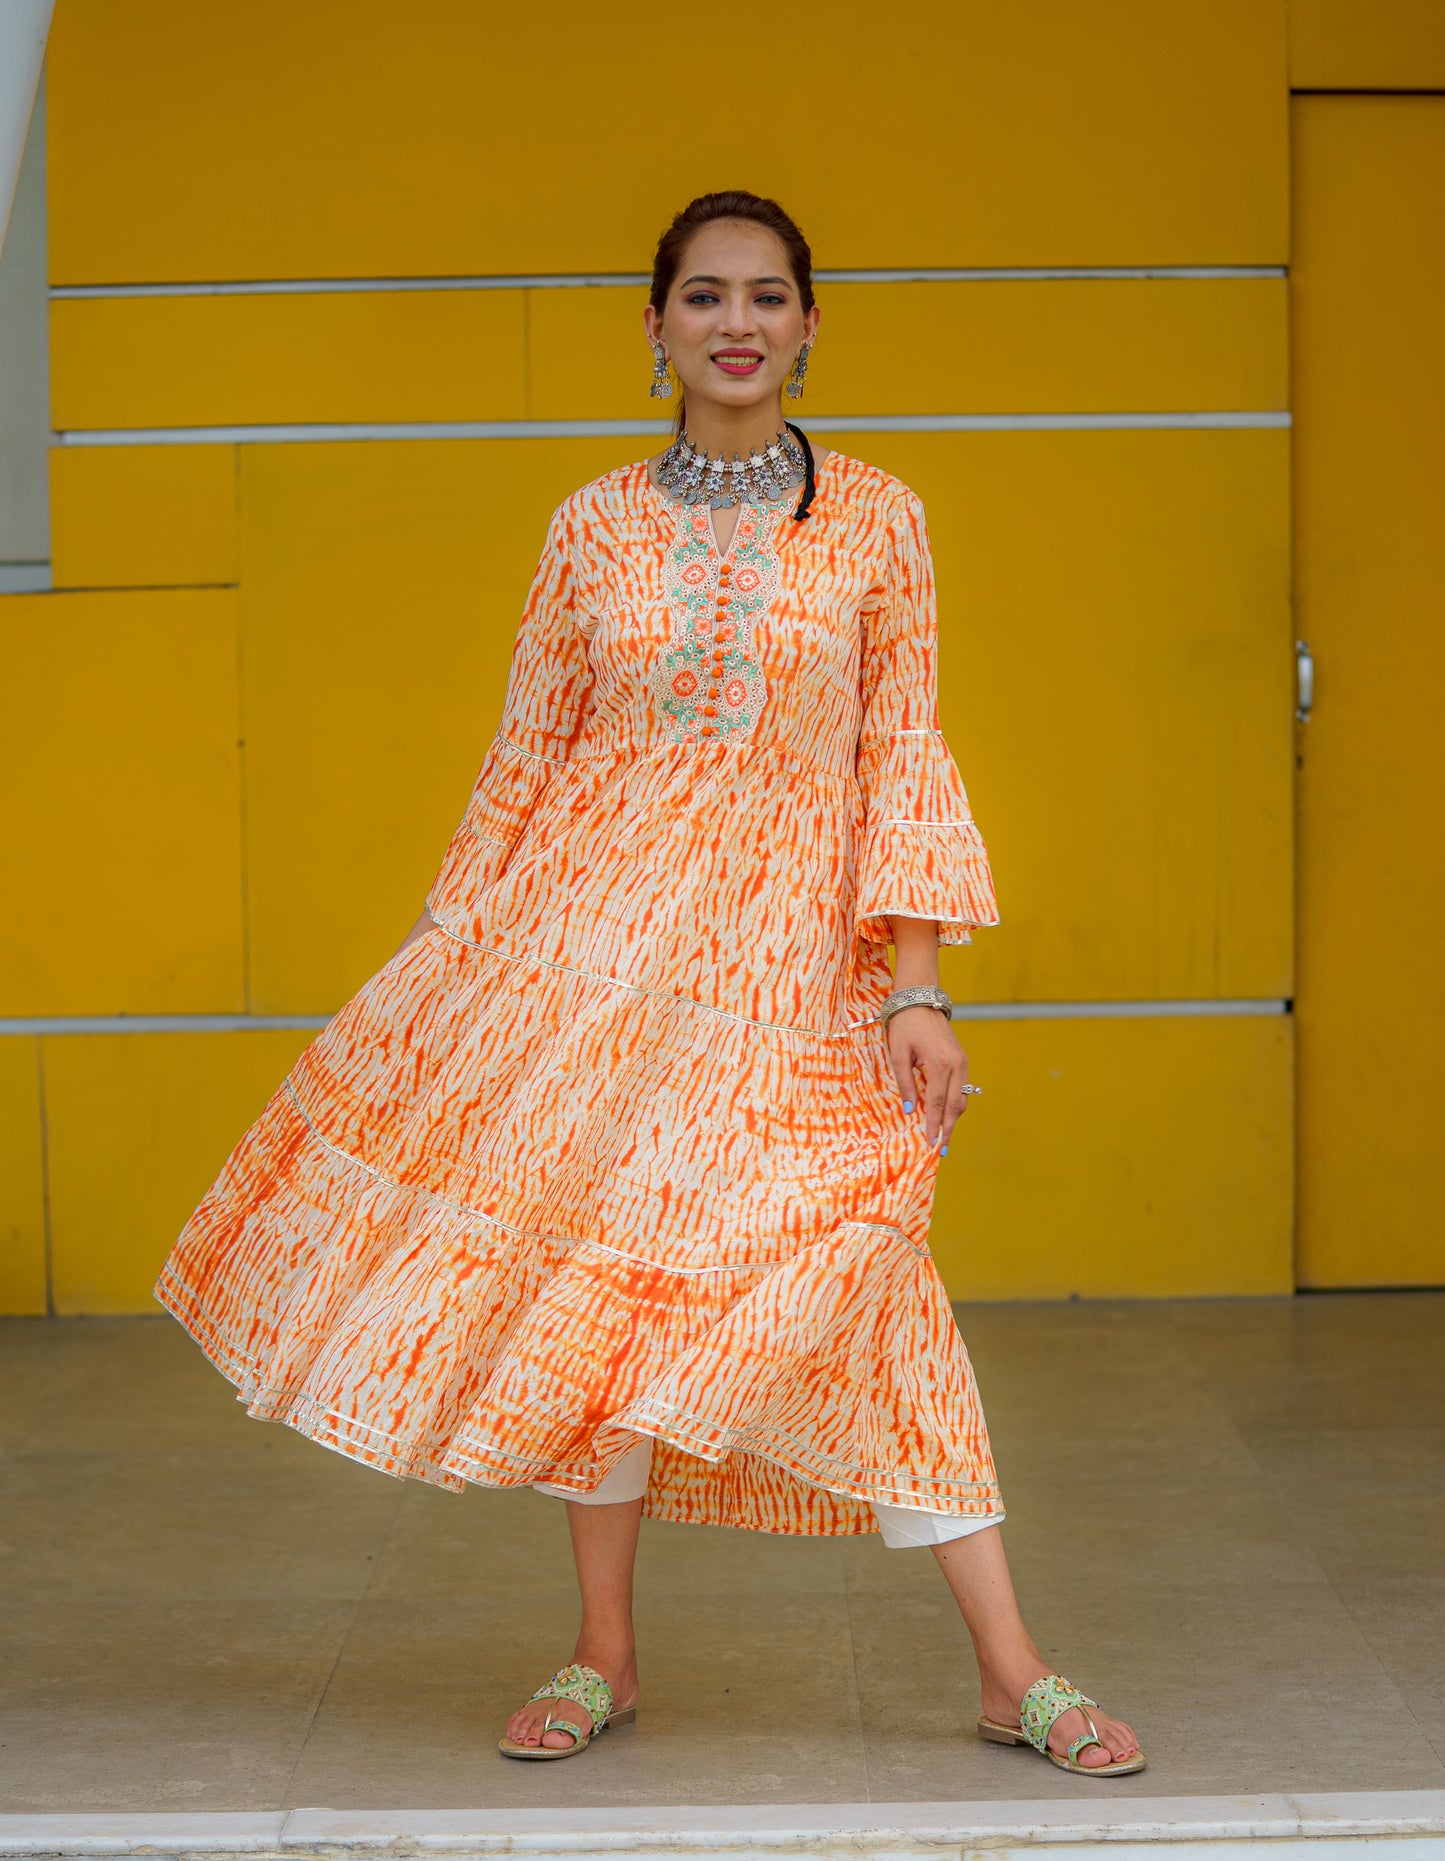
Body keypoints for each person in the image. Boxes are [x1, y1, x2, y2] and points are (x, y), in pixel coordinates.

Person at [155, 189, 1142, 1779]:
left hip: (791, 986)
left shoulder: (876, 519)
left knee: (872, 1275)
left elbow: (898, 749)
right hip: (591, 967)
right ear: (657, 327)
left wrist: (915, 986)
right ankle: (602, 1655)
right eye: (702, 295)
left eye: (765, 295)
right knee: (602, 1292)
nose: (735, 321)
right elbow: (528, 752)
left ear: (811, 325)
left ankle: (1007, 1666)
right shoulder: (590, 526)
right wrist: (458, 959)